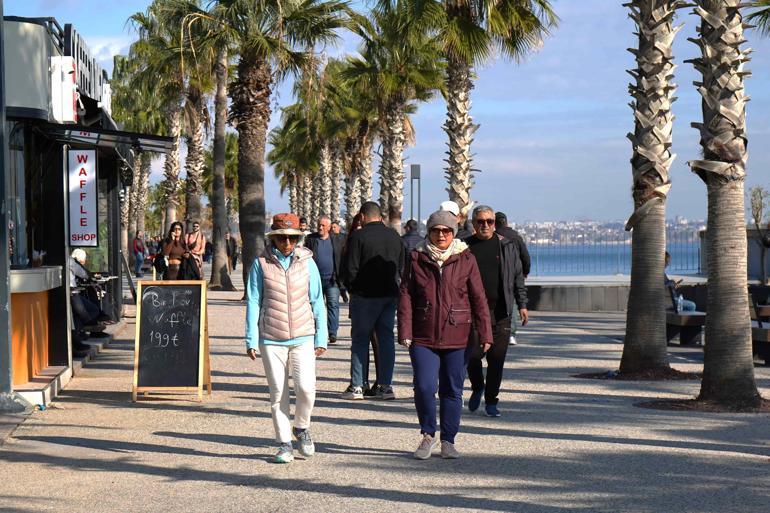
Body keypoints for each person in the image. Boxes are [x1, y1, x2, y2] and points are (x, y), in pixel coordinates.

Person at [399, 210, 492, 459]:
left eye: (446, 231)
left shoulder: (465, 258)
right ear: (429, 232)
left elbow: (478, 297)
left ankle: (448, 440)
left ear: (452, 233)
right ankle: (428, 434)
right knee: (424, 386)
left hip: (457, 334)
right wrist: (405, 329)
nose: (441, 235)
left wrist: (485, 333)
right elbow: (406, 295)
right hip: (423, 334)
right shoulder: (416, 257)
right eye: (436, 230)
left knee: (452, 389)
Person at [245, 212, 328, 464]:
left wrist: (321, 336)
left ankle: (301, 427)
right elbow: (253, 300)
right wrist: (251, 338)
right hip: (271, 337)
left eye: (292, 238)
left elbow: (317, 299)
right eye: (282, 238)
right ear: (274, 238)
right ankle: (284, 443)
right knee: (278, 392)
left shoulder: (308, 262)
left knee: (306, 389)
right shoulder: (261, 263)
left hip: (303, 334)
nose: (287, 244)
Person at [465, 205, 529, 417]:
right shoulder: (465, 247)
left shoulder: (507, 246)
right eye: (480, 222)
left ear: (495, 223)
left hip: (501, 311)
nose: (485, 225)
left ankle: (492, 400)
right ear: (473, 224)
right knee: (472, 356)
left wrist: (522, 304)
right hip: (472, 313)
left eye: (489, 222)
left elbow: (517, 276)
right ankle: (477, 387)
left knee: (496, 359)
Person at [341, 201, 404, 400]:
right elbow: (402, 264)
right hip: (389, 295)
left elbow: (350, 268)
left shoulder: (358, 236)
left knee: (360, 339)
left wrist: (353, 288)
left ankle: (357, 386)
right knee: (386, 339)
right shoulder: (394, 236)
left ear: (362, 216)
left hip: (365, 296)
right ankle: (385, 386)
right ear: (381, 217)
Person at [342, 213, 379, 396]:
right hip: (359, 298)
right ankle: (361, 382)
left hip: (367, 297)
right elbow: (345, 269)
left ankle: (377, 383)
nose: (359, 229)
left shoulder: (363, 240)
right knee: (360, 340)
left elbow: (349, 271)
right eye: (355, 226)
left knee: (374, 341)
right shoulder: (349, 243)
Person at [304, 216, 344, 344]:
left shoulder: (337, 240)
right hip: (316, 280)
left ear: (328, 227)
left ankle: (332, 332)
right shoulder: (311, 239)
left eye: (323, 225)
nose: (320, 227)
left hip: (332, 280)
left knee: (333, 305)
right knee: (316, 305)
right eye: (319, 225)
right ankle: (317, 331)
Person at [494, 212, 531, 345]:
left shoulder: (494, 237)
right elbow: (525, 256)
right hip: (516, 272)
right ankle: (511, 333)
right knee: (513, 303)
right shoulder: (516, 236)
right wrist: (525, 271)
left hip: (501, 273)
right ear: (507, 222)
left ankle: (503, 330)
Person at [69, 249, 110, 353]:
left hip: (73, 292)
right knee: (81, 311)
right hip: (72, 292)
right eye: (83, 261)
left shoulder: (71, 261)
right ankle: (87, 326)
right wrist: (90, 278)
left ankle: (81, 333)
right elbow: (82, 273)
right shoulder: (70, 262)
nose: (84, 263)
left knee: (77, 314)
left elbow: (83, 273)